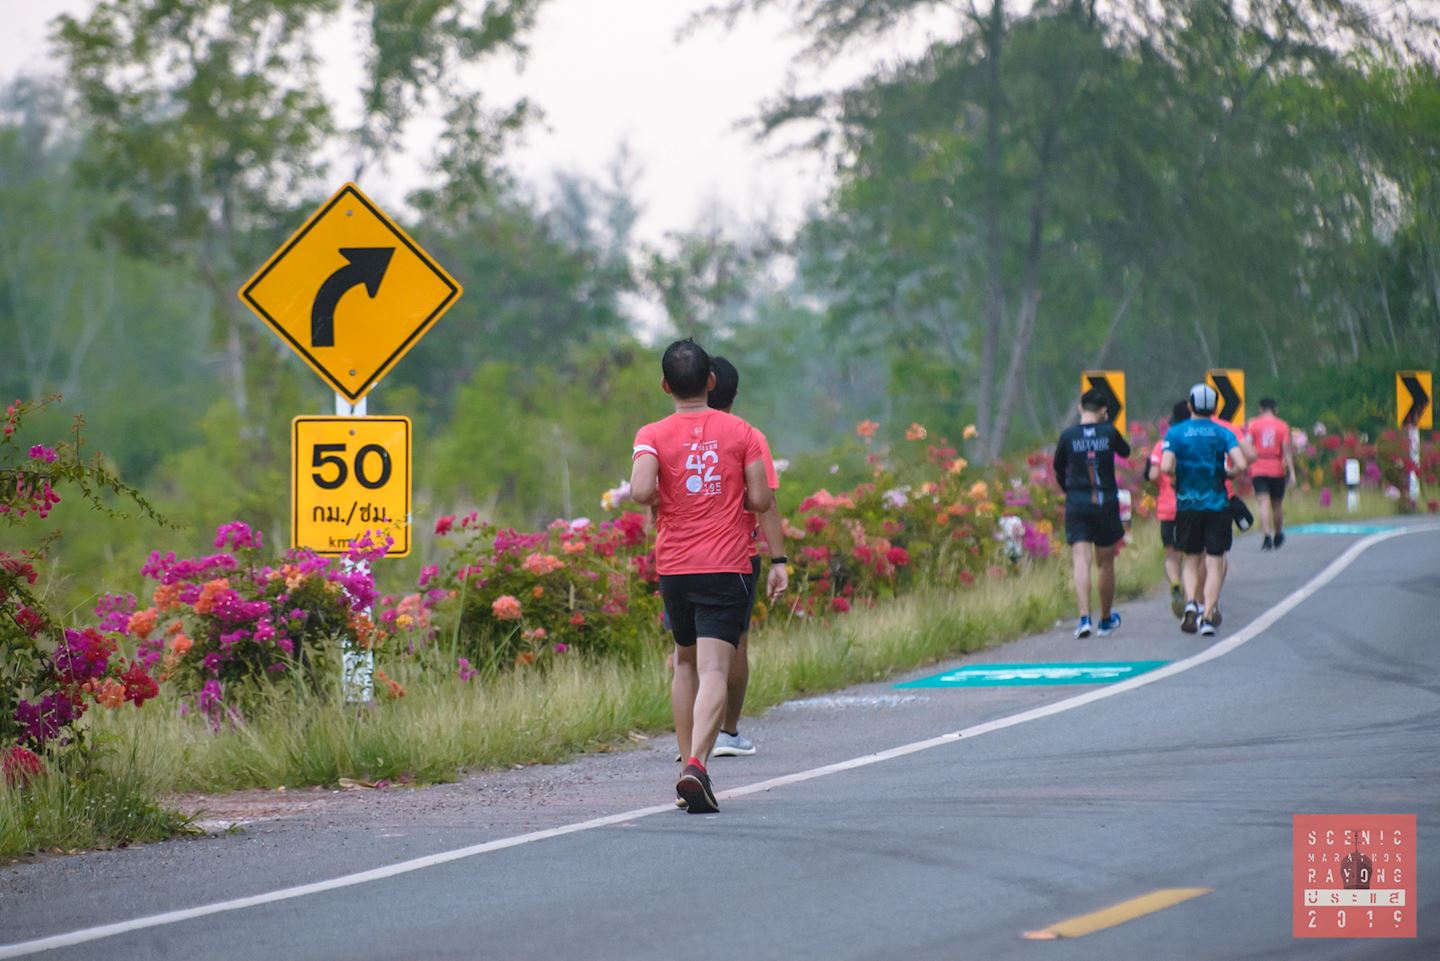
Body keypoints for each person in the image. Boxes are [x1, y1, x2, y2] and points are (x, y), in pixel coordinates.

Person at [629, 339, 773, 814]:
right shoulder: (743, 432)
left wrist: (667, 493)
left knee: (683, 662)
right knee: (714, 667)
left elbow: (641, 490)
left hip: (674, 566)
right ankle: (697, 763)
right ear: (711, 381)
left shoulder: (651, 433)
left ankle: (686, 765)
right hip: (726, 562)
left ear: (665, 385)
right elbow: (759, 499)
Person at [706, 356, 787, 758]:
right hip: (736, 554)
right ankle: (727, 731)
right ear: (733, 394)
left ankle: (690, 739)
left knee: (688, 651)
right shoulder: (747, 436)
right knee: (734, 643)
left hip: (680, 557)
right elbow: (764, 502)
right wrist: (779, 560)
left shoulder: (669, 434)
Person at [1161, 383, 1248, 636]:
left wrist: (1179, 477)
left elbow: (1166, 467)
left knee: (1190, 559)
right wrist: (1228, 473)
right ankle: (1208, 616)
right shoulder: (1222, 432)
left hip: (1187, 505)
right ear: (1214, 408)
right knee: (1214, 562)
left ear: (1190, 405)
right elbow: (1241, 463)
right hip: (1218, 504)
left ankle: (1191, 604)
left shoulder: (1176, 433)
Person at [1053, 388, 1131, 638]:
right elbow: (1126, 451)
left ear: (1080, 408)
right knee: (1105, 562)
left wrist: (1070, 490)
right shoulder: (1108, 432)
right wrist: (1106, 426)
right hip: (1105, 503)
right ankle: (1106, 619)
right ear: (1104, 411)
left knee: (1081, 559)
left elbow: (1058, 468)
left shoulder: (1068, 436)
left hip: (1077, 503)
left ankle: (1084, 618)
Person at [1145, 401, 1190, 618]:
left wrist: (1162, 486)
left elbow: (1153, 475)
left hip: (1166, 507)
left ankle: (1175, 582)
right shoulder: (1192, 442)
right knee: (1189, 553)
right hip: (1189, 505)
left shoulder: (1160, 446)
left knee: (1170, 553)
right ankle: (1191, 596)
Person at [1245, 397, 1298, 551]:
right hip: (1276, 468)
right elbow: (1286, 450)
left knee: (1263, 503)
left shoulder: (1253, 424)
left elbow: (1248, 446)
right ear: (1275, 409)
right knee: (1277, 505)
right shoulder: (1282, 426)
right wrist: (1292, 472)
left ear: (1260, 409)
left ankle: (1267, 535)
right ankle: (1278, 533)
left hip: (1258, 467)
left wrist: (1246, 465)